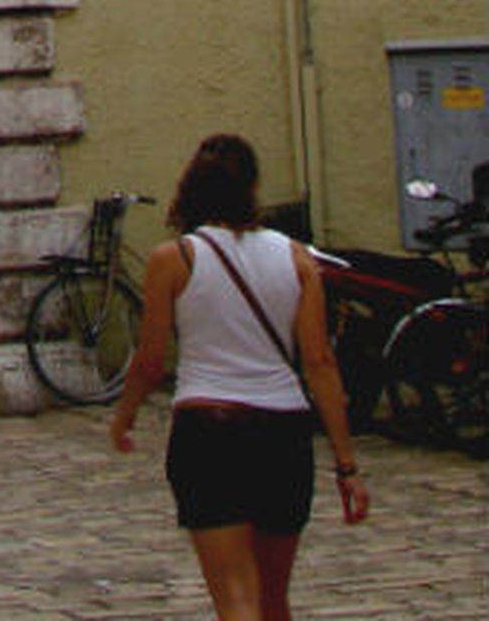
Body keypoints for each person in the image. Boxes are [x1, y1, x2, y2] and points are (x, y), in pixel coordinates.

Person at [110, 133, 369, 621]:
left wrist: (125, 417)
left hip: (209, 429)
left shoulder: (174, 259)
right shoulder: (296, 258)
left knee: (235, 598)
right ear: (252, 188)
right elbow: (319, 363)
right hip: (283, 433)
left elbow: (149, 359)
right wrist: (346, 464)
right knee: (273, 599)